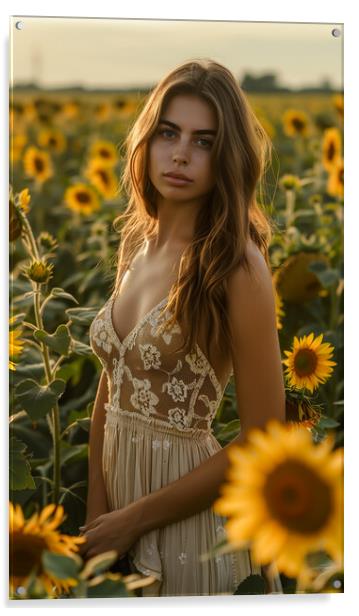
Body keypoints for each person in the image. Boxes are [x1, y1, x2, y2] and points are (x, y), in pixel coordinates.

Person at [79, 58, 286, 597]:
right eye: (168, 133)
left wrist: (137, 519)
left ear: (228, 157)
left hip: (187, 526)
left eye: (203, 141)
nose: (179, 154)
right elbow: (112, 382)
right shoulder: (137, 244)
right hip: (115, 520)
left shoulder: (236, 265)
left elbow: (263, 437)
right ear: (146, 141)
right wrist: (99, 516)